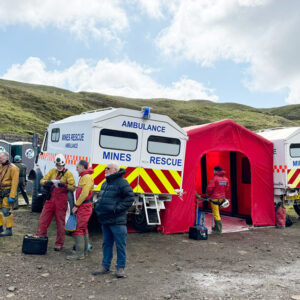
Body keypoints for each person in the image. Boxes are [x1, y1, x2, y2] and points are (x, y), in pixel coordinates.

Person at [92, 163, 134, 278]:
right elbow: (101, 197)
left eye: (108, 168)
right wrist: (98, 206)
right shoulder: (105, 183)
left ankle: (120, 268)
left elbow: (130, 197)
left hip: (117, 221)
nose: (105, 170)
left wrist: (117, 209)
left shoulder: (122, 182)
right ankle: (105, 266)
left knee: (120, 245)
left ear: (115, 170)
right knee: (106, 244)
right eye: (105, 168)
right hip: (106, 220)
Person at [37, 154, 75, 251]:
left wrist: (64, 185)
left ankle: (59, 243)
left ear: (63, 164)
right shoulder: (52, 171)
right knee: (43, 220)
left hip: (61, 202)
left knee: (60, 223)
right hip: (50, 200)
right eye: (58, 165)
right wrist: (47, 182)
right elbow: (42, 180)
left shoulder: (68, 174)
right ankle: (41, 237)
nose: (59, 167)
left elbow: (73, 187)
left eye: (60, 165)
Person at [66, 159, 94, 260]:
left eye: (77, 167)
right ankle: (84, 251)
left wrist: (76, 205)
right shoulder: (85, 177)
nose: (76, 169)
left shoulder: (86, 177)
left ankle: (79, 254)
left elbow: (85, 193)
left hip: (84, 207)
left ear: (82, 167)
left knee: (78, 229)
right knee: (83, 228)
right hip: (84, 206)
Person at [0, 151, 19, 237]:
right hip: (1, 190)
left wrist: (12, 196)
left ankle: (9, 229)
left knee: (6, 211)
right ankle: (0, 228)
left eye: (1, 158)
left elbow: (15, 183)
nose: (0, 159)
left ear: (7, 158)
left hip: (7, 191)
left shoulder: (13, 168)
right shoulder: (1, 166)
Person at [206, 166, 230, 234]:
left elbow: (209, 188)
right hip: (222, 198)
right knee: (218, 213)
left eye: (213, 171)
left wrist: (208, 195)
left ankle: (218, 229)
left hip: (214, 198)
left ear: (215, 171)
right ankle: (216, 227)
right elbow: (226, 188)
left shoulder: (215, 179)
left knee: (216, 214)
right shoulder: (225, 179)